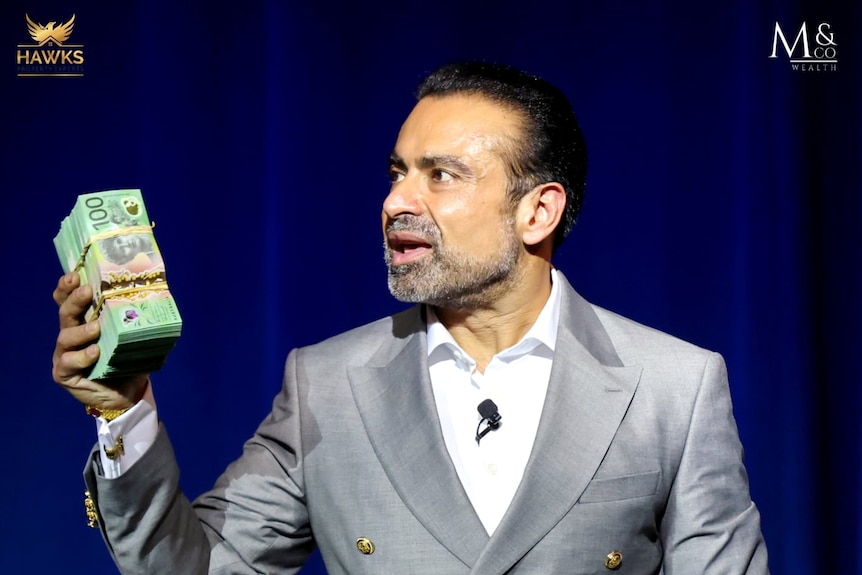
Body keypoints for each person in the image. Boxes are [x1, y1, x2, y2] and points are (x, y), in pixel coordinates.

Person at [52, 61, 769, 574]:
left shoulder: (674, 387)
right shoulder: (326, 384)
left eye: (441, 173)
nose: (398, 201)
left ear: (537, 211)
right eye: (397, 172)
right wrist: (125, 413)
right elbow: (202, 567)